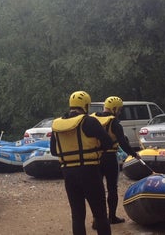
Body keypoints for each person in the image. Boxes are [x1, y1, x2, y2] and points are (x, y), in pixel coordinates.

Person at [51, 90, 114, 235]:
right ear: (86, 106)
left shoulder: (57, 125)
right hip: (90, 171)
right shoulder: (89, 121)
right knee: (100, 215)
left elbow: (54, 151)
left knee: (77, 216)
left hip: (68, 174)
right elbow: (108, 143)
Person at [91, 96, 141, 228]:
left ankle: (97, 219)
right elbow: (123, 143)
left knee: (97, 189)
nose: (119, 112)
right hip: (109, 158)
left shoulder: (92, 119)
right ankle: (112, 217)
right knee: (112, 188)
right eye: (119, 110)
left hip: (95, 158)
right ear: (115, 109)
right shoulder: (114, 122)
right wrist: (134, 154)